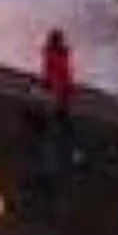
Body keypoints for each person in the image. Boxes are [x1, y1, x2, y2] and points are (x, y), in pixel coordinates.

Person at [37, 27, 81, 172]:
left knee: (59, 120)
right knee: (63, 121)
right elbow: (66, 73)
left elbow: (50, 73)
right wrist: (70, 87)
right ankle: (72, 151)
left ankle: (64, 146)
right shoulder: (61, 55)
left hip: (57, 92)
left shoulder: (50, 54)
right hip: (60, 92)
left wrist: (46, 84)